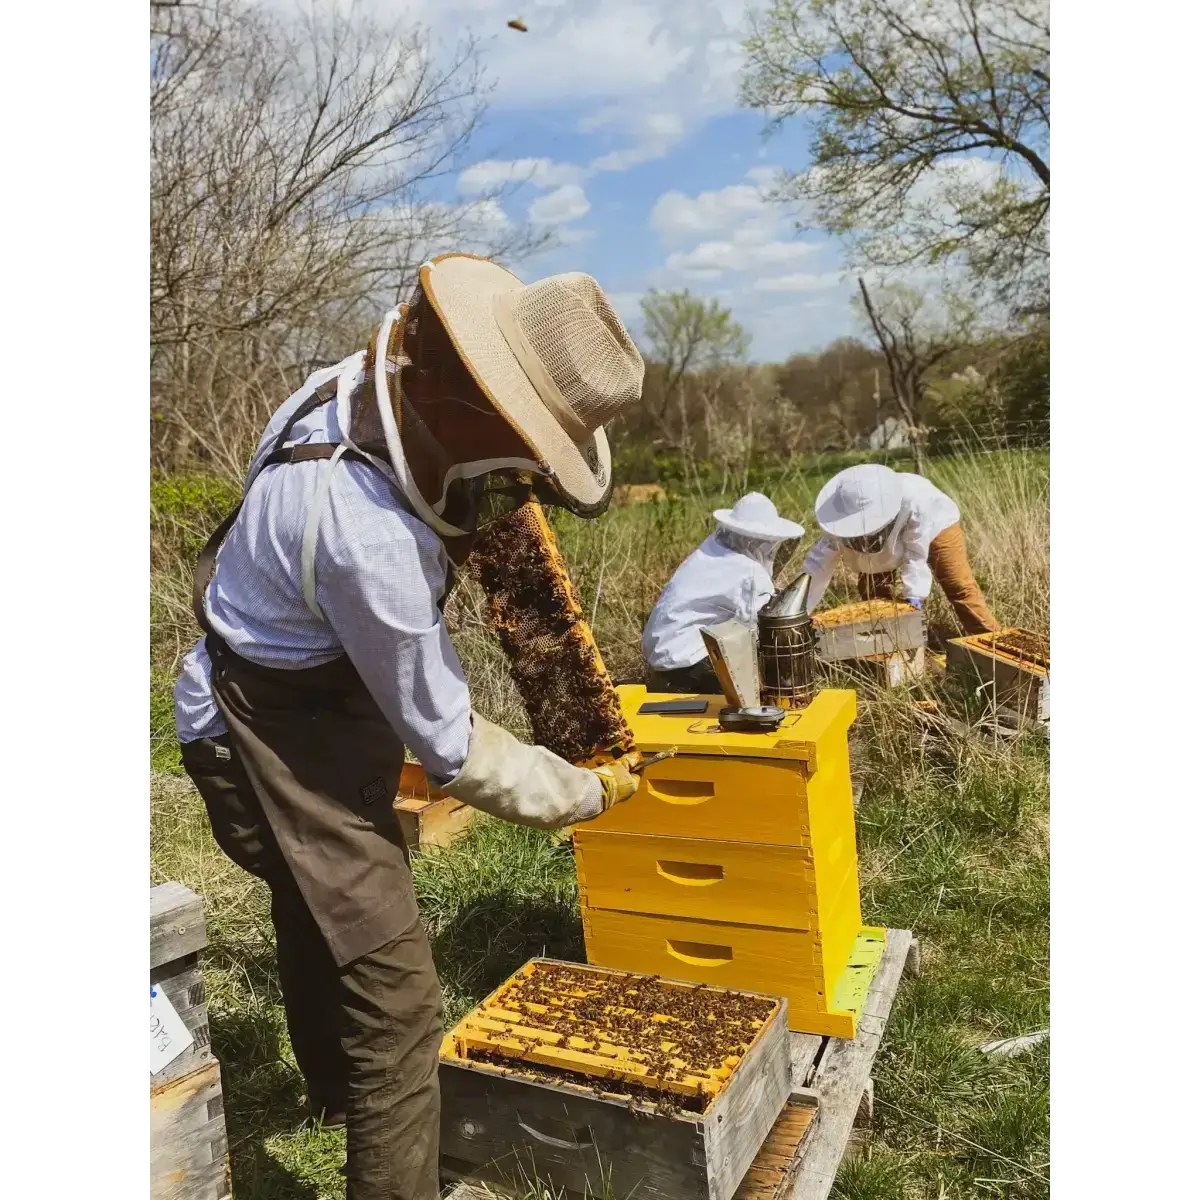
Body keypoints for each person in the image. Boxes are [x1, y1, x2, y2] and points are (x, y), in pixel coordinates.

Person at [173, 255, 645, 1200]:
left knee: (314, 912)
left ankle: (336, 1097)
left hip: (259, 702)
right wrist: (584, 791)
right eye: (524, 447)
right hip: (261, 738)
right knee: (397, 1001)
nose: (523, 478)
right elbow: (449, 742)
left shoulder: (338, 386)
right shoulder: (367, 538)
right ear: (479, 402)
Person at [801, 463, 999, 634]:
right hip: (892, 539)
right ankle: (891, 643)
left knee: (957, 585)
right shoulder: (839, 519)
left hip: (935, 525)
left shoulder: (916, 501)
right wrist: (799, 608)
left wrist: (914, 593)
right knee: (875, 595)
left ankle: (991, 644)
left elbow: (916, 550)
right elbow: (818, 565)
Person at [641, 492, 805, 693]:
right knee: (758, 687)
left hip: (662, 657)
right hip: (687, 663)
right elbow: (757, 631)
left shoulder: (710, 549)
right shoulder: (750, 571)